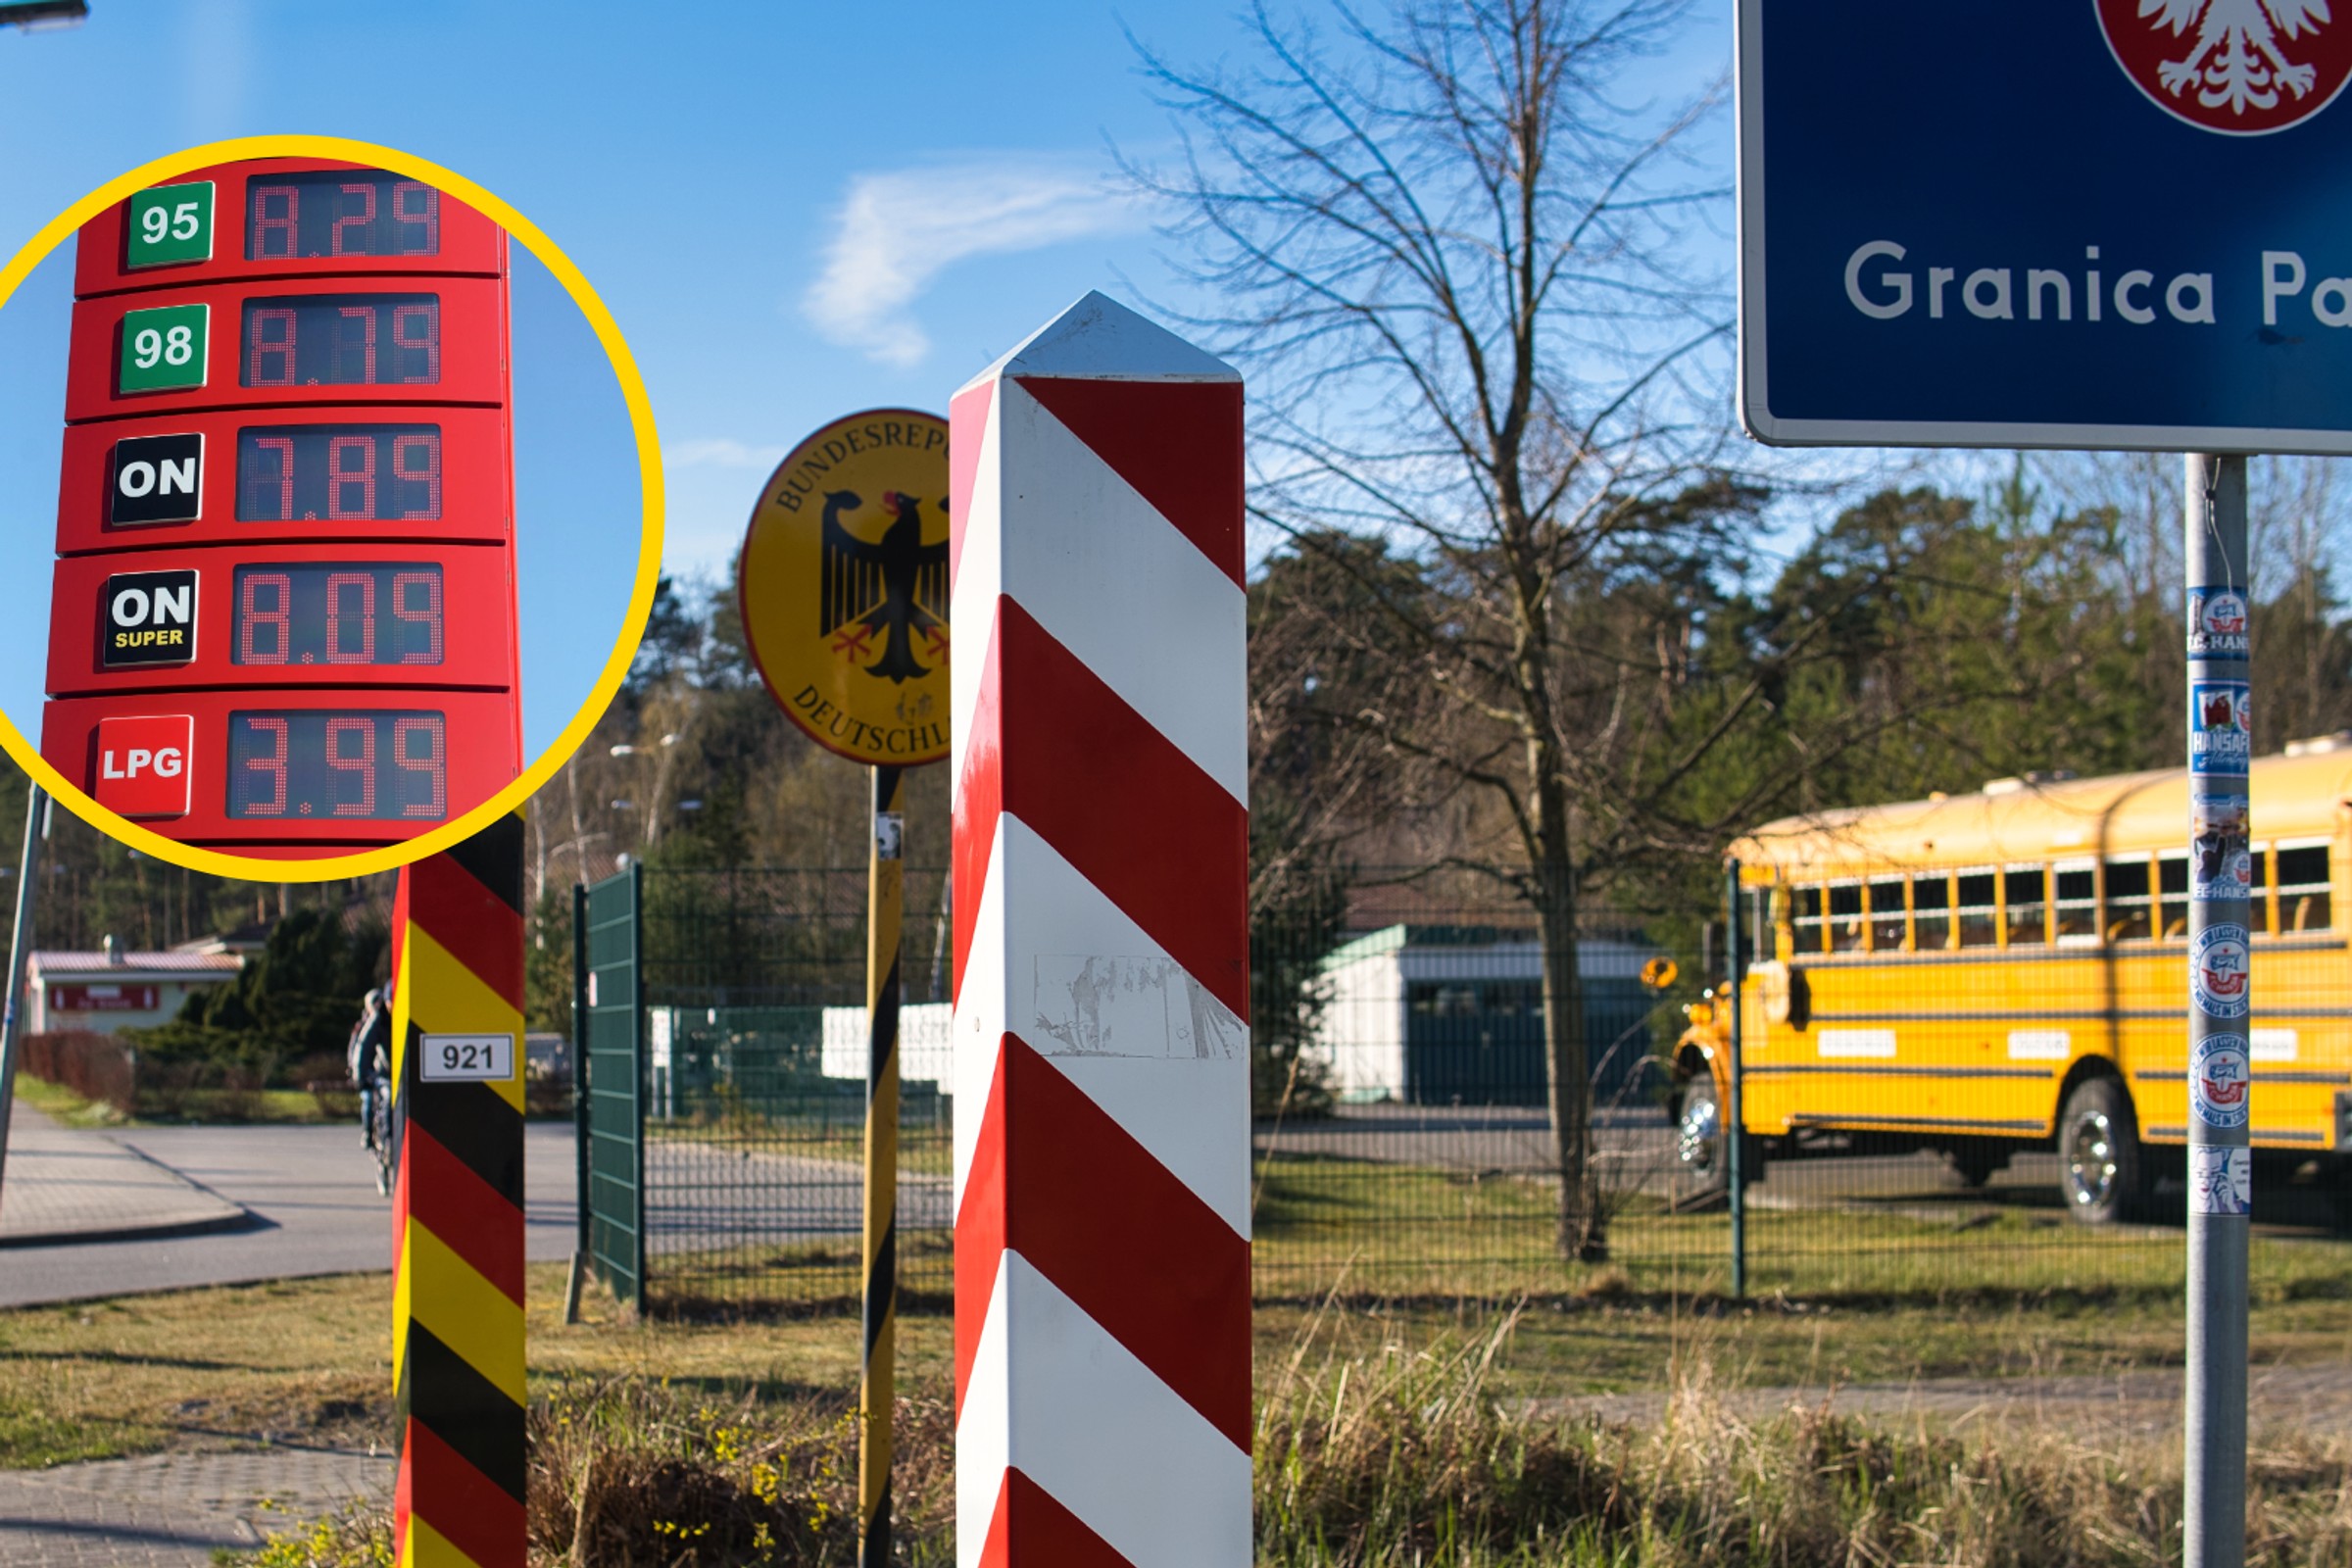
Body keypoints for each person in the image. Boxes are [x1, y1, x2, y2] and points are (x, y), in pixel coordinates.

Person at [348, 986, 394, 1192]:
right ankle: (375, 1137)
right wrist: (359, 1075)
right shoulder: (377, 1020)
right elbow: (362, 1047)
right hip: (383, 1075)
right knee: (376, 1100)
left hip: (405, 1076)